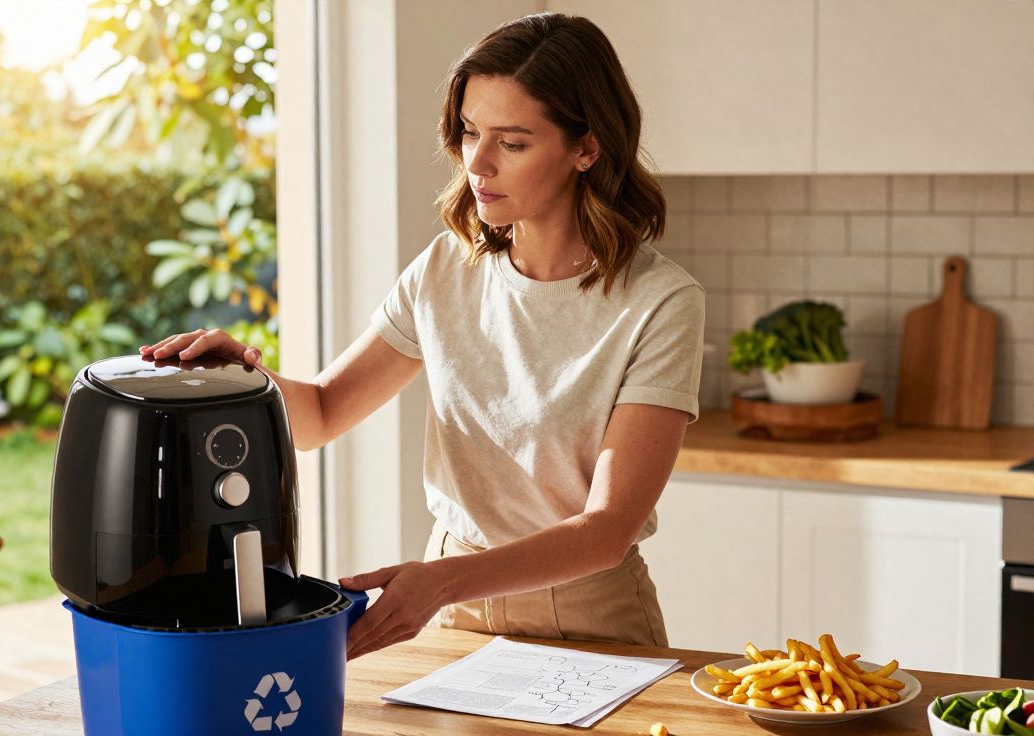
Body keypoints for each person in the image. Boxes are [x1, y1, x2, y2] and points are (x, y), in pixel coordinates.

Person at [139, 12, 704, 661]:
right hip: (452, 609)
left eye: (513, 143)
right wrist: (237, 380)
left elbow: (607, 530)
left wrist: (436, 584)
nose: (478, 163)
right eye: (469, 132)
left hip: (588, 612)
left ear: (587, 147)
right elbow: (323, 412)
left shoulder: (661, 302)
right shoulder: (445, 269)